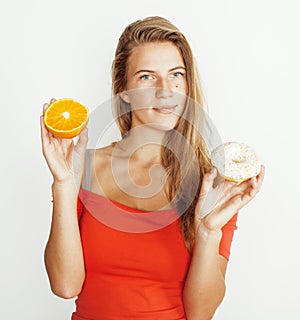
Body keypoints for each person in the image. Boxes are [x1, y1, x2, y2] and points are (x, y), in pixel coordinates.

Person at [40, 16, 264, 320]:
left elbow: (201, 313)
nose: (165, 89)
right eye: (147, 77)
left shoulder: (211, 184)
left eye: (176, 75)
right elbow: (65, 285)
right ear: (124, 89)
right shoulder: (83, 167)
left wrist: (209, 231)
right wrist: (64, 184)